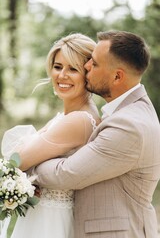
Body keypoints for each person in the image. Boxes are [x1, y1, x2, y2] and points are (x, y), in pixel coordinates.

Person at [31, 31, 160, 238]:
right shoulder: (131, 111)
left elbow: (65, 174)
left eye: (95, 63)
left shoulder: (129, 125)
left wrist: (30, 167)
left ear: (117, 76)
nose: (87, 66)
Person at [0, 33, 100, 238]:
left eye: (73, 69)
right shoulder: (68, 116)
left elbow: (17, 161)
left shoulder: (79, 120)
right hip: (43, 214)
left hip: (50, 222)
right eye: (57, 67)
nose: (62, 75)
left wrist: (26, 172)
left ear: (88, 74)